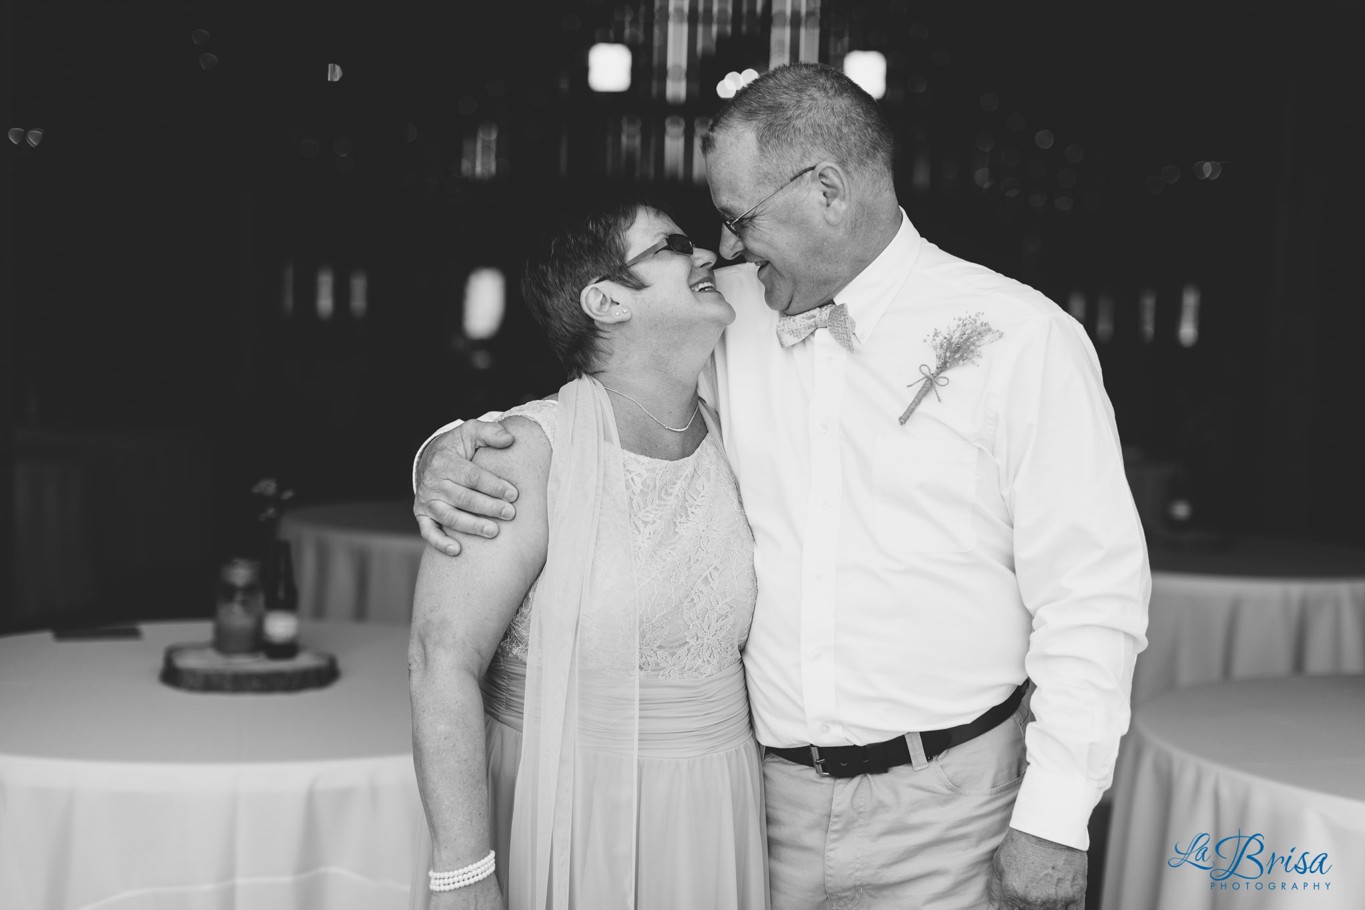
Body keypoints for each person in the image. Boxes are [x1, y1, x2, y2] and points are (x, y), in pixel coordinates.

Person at [413, 64, 1150, 910]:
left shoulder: (1022, 338)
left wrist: (1053, 820)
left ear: (826, 190)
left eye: (738, 218)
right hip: (758, 812)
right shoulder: (722, 313)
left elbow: (1091, 595)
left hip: (954, 806)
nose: (725, 247)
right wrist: (447, 454)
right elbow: (605, 395)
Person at [407, 201, 769, 909]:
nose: (707, 255)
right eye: (673, 245)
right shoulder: (523, 452)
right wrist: (462, 873)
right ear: (604, 301)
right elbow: (438, 659)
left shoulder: (736, 431)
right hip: (566, 811)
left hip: (714, 813)